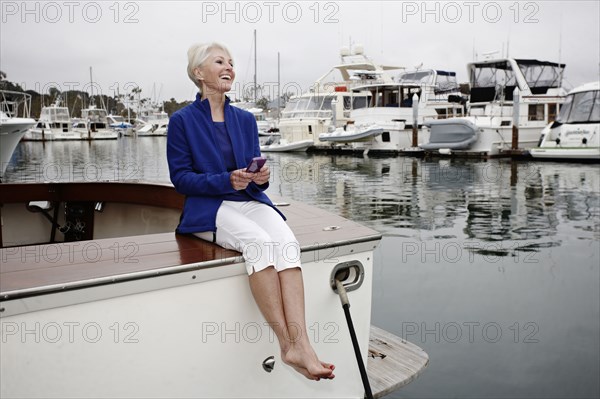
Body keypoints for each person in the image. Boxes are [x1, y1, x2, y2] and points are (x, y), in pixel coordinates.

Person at [167, 42, 335, 381]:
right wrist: (225, 179)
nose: (229, 66)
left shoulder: (245, 119)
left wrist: (261, 175)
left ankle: (303, 343)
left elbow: (254, 170)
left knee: (287, 244)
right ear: (199, 73)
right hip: (209, 207)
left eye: (231, 62)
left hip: (249, 201)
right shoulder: (181, 121)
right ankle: (287, 344)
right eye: (219, 61)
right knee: (258, 243)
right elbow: (181, 179)